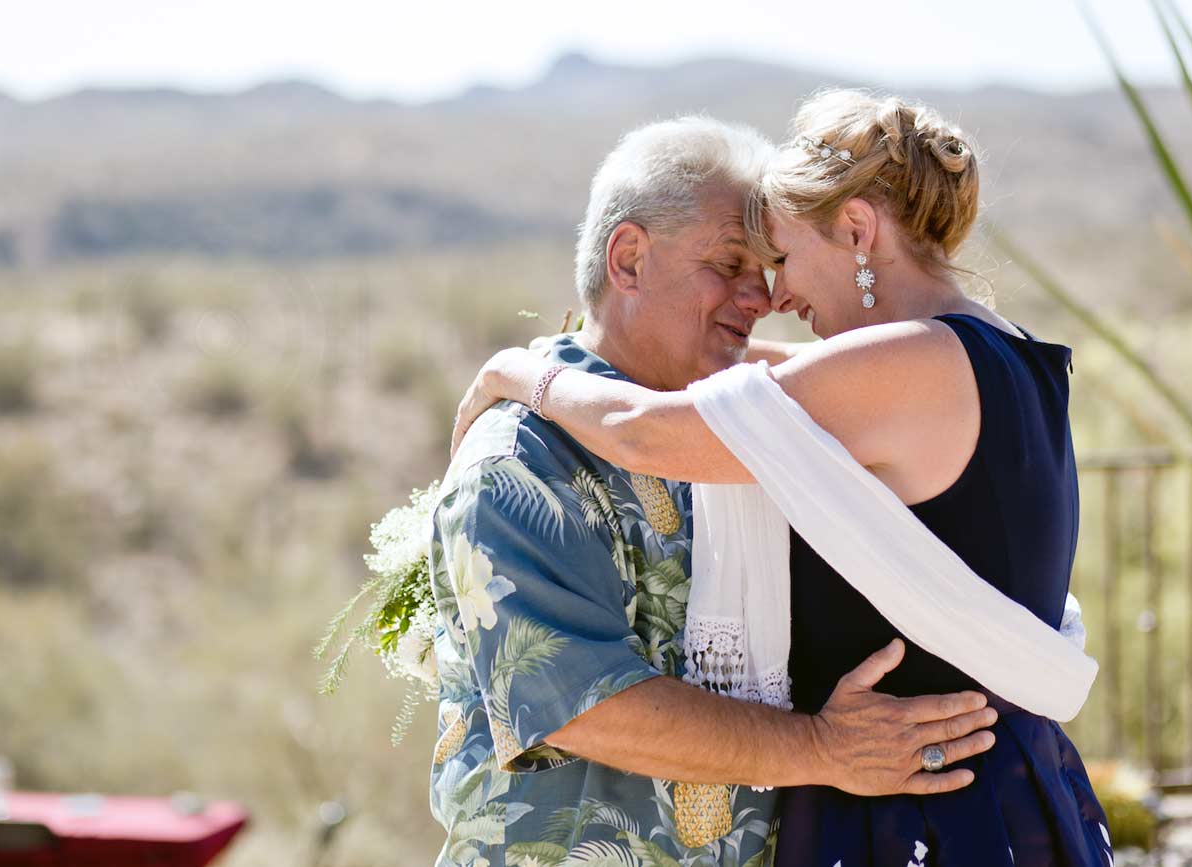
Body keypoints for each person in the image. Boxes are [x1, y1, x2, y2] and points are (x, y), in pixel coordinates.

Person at [452, 91, 1112, 865]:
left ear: (858, 231)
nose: (778, 299)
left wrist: (516, 370)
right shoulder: (994, 351)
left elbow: (643, 430)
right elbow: (772, 381)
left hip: (920, 815)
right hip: (992, 791)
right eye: (739, 266)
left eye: (782, 260)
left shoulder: (904, 367)